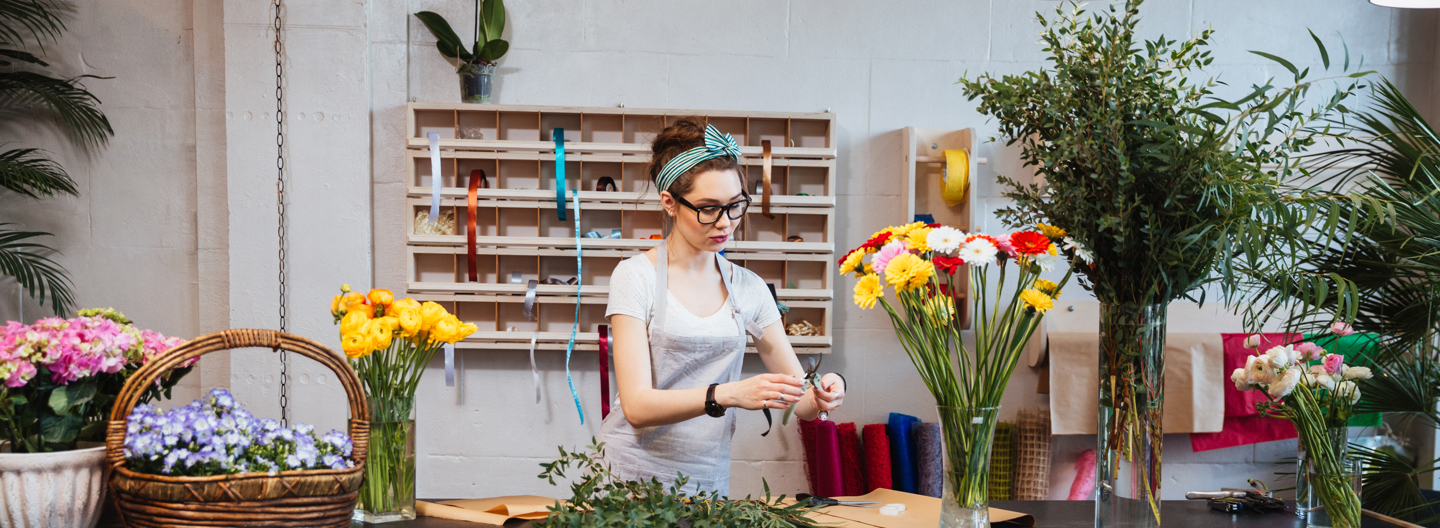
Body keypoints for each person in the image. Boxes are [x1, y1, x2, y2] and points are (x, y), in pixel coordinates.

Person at [597, 118, 845, 495]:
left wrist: (828, 390)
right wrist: (727, 394)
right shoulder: (635, 277)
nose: (725, 223)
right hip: (630, 478)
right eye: (708, 208)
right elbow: (637, 406)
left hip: (707, 479)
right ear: (669, 203)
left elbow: (801, 400)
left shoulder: (750, 289)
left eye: (735, 205)